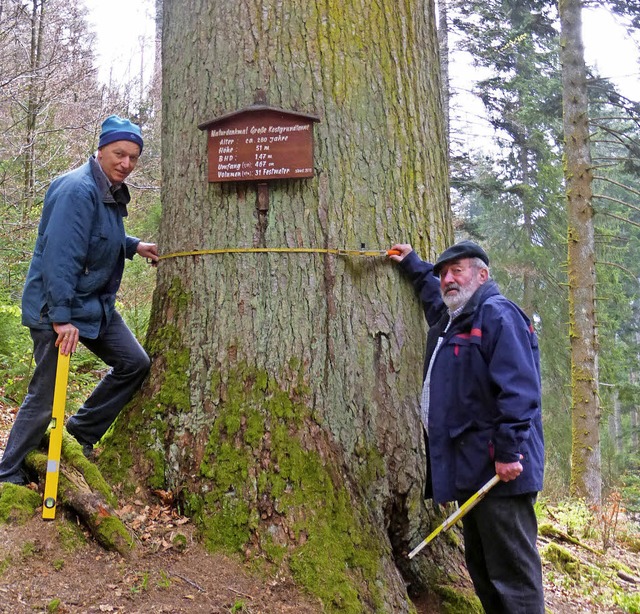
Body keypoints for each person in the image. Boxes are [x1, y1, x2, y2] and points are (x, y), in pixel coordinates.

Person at [0, 115, 158, 484]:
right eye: (119, 154)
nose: (126, 164)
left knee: (134, 362)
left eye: (133, 157)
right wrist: (60, 318)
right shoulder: (77, 189)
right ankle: (7, 474)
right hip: (56, 309)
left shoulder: (107, 190)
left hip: (91, 305)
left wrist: (134, 245)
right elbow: (60, 257)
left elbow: (97, 235)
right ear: (100, 149)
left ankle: (78, 433)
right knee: (44, 395)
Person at [390, 240, 545, 613]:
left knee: (513, 576)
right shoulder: (453, 317)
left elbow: (520, 391)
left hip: (502, 475)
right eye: (444, 273)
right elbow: (433, 294)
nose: (448, 280)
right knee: (482, 569)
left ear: (482, 274)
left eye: (457, 271)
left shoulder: (497, 315)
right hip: (471, 471)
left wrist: (508, 453)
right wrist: (413, 263)